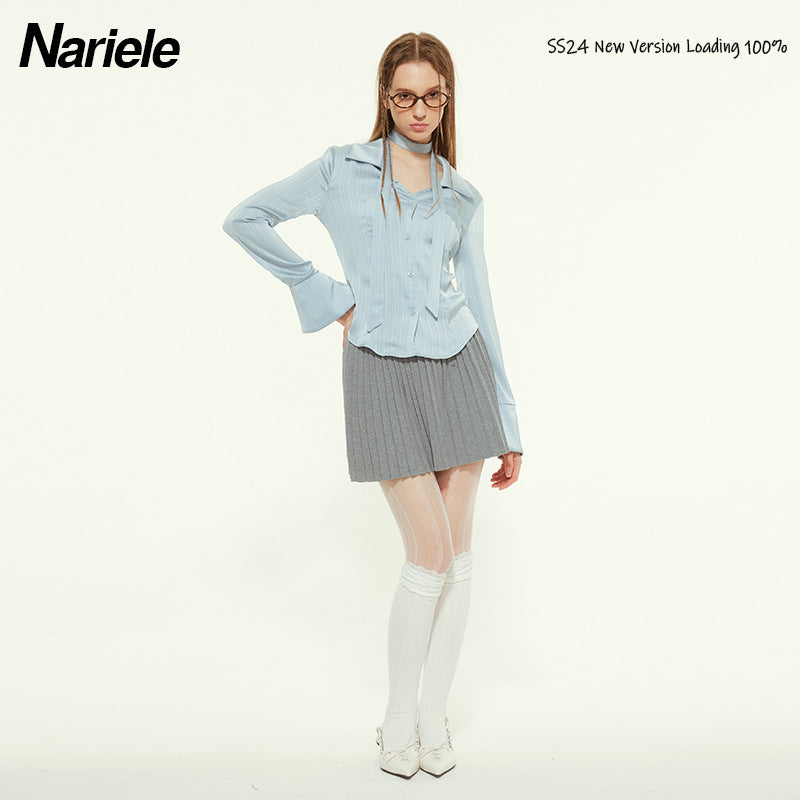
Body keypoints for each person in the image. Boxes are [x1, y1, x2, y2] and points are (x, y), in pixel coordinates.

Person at [222, 31, 523, 779]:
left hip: (460, 369)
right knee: (429, 555)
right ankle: (396, 720)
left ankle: (433, 718)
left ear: (447, 100)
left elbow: (482, 301)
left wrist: (509, 422)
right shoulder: (342, 171)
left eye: (432, 96)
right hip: (379, 369)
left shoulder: (462, 195)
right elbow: (246, 218)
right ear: (384, 97)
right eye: (404, 96)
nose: (419, 110)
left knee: (459, 560)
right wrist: (330, 298)